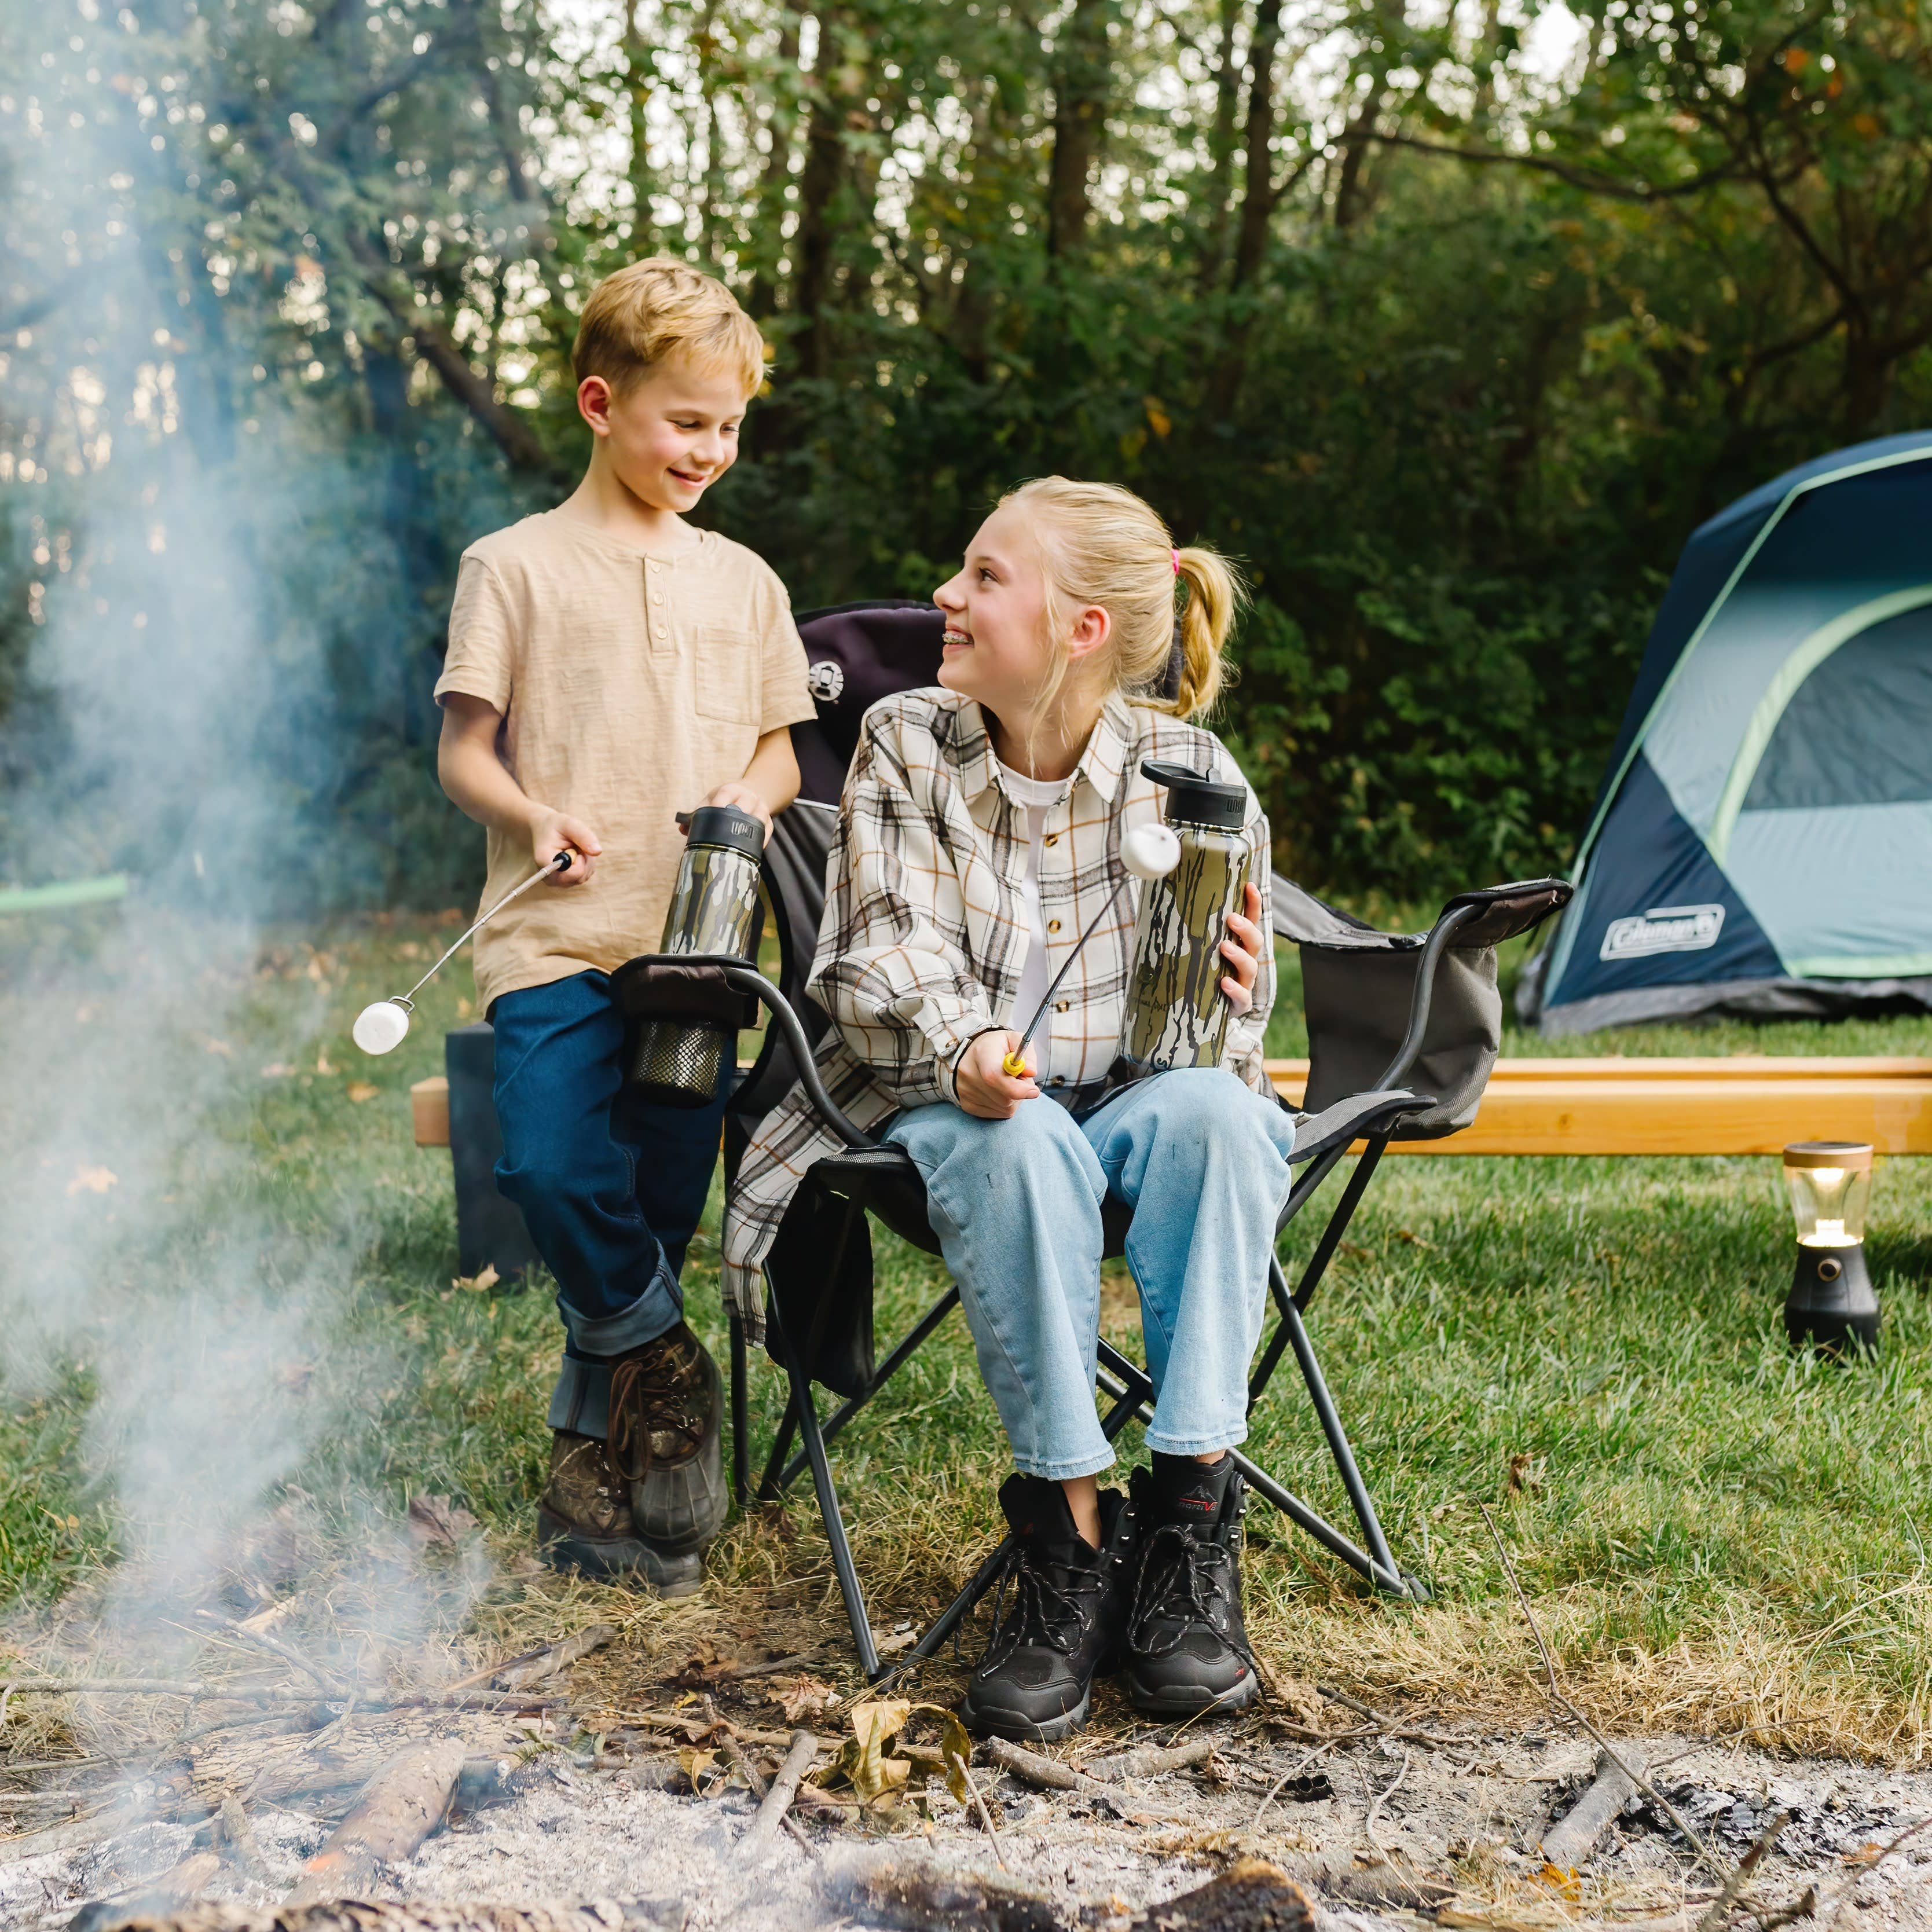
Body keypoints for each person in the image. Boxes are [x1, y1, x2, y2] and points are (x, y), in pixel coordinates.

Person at [725, 478, 1291, 1741]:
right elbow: (871, 958)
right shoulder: (908, 740)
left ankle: (1191, 1521)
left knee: (1225, 1117)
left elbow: (1219, 1039)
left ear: (1082, 629)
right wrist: (965, 1041)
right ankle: (1069, 1533)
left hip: (1134, 1102)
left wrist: (1234, 995)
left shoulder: (1191, 772)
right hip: (948, 1107)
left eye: (985, 576)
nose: (946, 595)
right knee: (1016, 1131)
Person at [435, 259, 815, 1596]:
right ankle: (667, 1356)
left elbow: (781, 753)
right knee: (544, 1164)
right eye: (685, 423)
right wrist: (532, 814)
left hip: (699, 951)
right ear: (602, 403)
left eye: (727, 427)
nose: (710, 450)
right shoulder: (514, 568)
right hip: (554, 936)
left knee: (654, 1203)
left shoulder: (744, 580)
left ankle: (588, 1469)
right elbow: (464, 754)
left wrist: (748, 799)